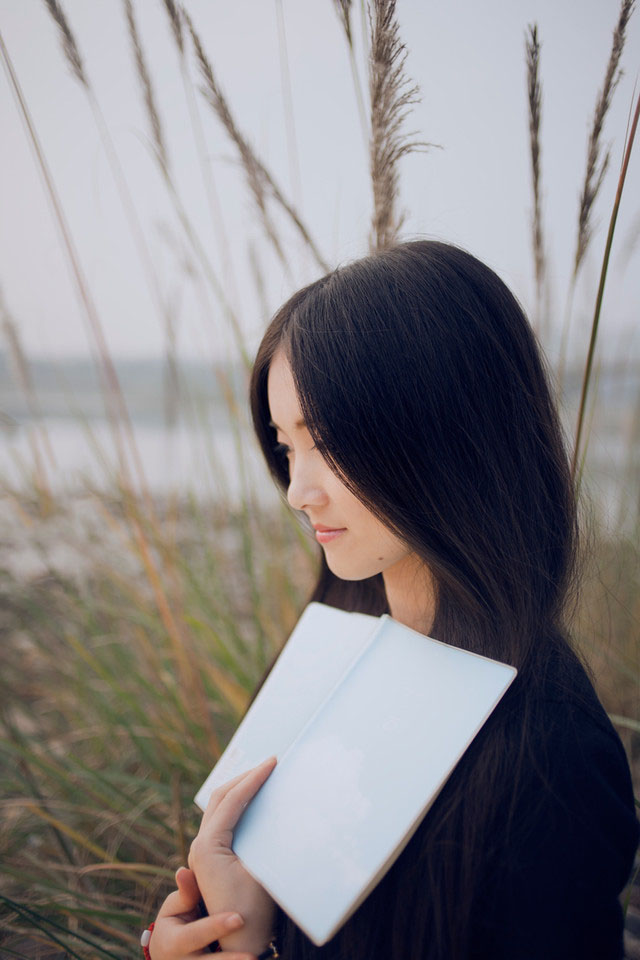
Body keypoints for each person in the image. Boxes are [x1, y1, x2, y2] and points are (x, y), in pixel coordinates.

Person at [146, 240, 639, 960]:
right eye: (287, 447)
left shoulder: (551, 757)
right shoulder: (336, 649)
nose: (296, 491)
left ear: (451, 432)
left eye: (331, 442)